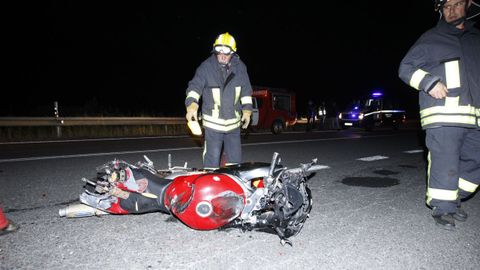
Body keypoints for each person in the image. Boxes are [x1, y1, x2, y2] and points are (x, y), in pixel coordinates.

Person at [398, 0, 480, 230]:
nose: (451, 10)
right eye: (446, 6)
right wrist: (429, 82)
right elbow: (406, 67)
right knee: (446, 161)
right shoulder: (431, 38)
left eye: (456, 4)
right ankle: (443, 207)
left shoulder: (476, 40)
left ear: (468, 5)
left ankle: (454, 198)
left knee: (475, 162)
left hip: (475, 116)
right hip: (443, 114)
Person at [185, 32, 253, 169]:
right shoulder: (206, 67)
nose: (222, 55)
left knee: (235, 164)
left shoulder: (241, 68)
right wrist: (191, 105)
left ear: (233, 52)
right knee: (212, 163)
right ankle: (211, 187)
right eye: (219, 50)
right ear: (215, 49)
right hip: (213, 126)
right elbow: (194, 87)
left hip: (233, 125)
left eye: (226, 51)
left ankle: (232, 188)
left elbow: (246, 91)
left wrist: (247, 111)